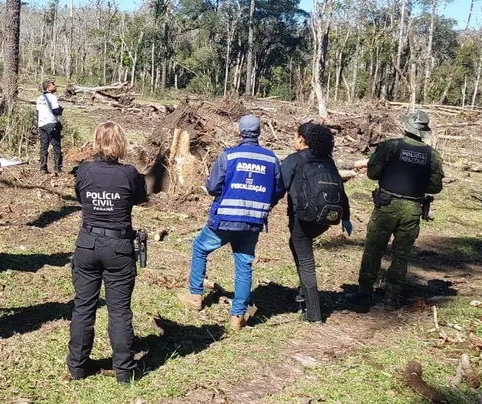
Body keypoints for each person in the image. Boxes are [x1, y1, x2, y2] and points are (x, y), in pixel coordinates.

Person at [176, 115, 284, 333]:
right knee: (244, 265)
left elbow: (214, 186)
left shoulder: (229, 156)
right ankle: (237, 317)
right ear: (259, 133)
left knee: (199, 247)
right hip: (253, 222)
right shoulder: (272, 160)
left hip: (224, 220)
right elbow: (278, 190)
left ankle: (195, 295)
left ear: (239, 132)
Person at [68, 122, 147, 384]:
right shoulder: (129, 174)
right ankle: (124, 370)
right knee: (120, 310)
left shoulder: (85, 170)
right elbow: (139, 197)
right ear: (122, 143)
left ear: (96, 142)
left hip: (88, 243)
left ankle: (77, 366)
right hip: (118, 247)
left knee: (83, 307)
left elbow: (80, 197)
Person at [351, 110, 444, 309]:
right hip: (412, 209)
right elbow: (436, 186)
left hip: (387, 205)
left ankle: (364, 294)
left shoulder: (390, 147)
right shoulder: (433, 156)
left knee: (374, 249)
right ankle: (391, 297)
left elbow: (373, 173)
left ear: (407, 127)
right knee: (401, 254)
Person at [280, 122, 353, 323]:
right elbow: (341, 191)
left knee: (306, 260)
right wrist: (345, 218)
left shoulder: (293, 160)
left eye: (295, 136)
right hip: (325, 218)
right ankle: (304, 292)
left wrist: (263, 208)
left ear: (302, 139)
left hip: (302, 217)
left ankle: (313, 312)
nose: (294, 140)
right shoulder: (328, 162)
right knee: (296, 245)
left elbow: (279, 187)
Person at [36, 80, 63, 175]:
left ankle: (43, 168)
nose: (55, 86)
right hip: (51, 123)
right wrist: (60, 110)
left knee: (44, 147)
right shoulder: (52, 97)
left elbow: (37, 112)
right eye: (53, 85)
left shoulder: (39, 98)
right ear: (48, 87)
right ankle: (57, 169)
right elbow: (56, 111)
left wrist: (38, 125)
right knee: (57, 147)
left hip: (42, 124)